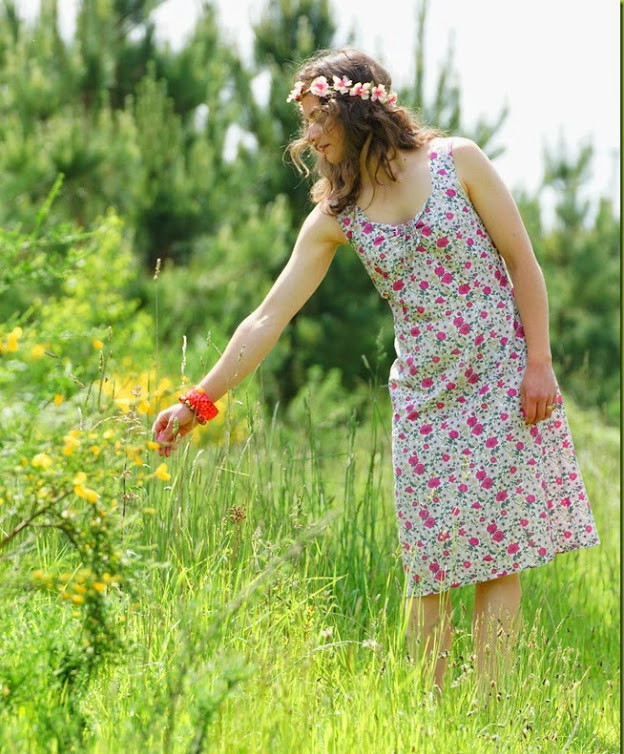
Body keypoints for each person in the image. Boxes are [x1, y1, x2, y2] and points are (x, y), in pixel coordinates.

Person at [152, 47, 600, 698]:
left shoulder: (458, 162)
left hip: (501, 374)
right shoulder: (337, 215)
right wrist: (197, 400)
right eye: (305, 120)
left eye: (316, 118)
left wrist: (540, 363)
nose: (309, 135)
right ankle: (430, 719)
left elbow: (523, 263)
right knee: (430, 563)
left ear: (354, 107)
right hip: (423, 395)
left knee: (499, 556)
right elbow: (266, 319)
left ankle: (495, 716)